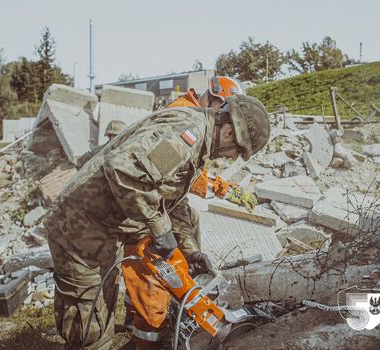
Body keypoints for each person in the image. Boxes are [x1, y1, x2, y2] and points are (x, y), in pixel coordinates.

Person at [44, 94, 270, 350]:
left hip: (100, 226)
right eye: (238, 153)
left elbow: (169, 198)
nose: (231, 159)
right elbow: (123, 169)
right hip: (79, 227)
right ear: (230, 132)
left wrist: (188, 250)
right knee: (90, 326)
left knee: (100, 306)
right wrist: (160, 228)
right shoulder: (186, 134)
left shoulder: (196, 140)